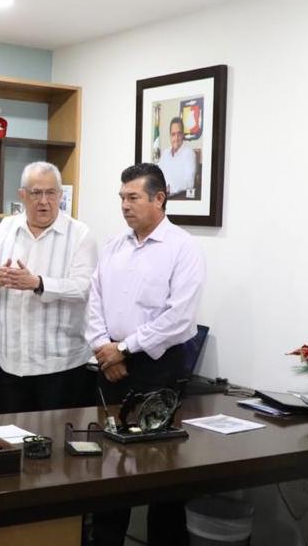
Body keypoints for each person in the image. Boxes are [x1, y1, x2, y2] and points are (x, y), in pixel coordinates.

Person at [86, 162, 205, 546]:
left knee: (161, 470)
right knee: (109, 465)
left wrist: (124, 349)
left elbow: (179, 318)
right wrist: (105, 348)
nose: (124, 205)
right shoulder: (114, 245)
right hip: (110, 363)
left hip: (159, 366)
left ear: (159, 198)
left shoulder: (183, 248)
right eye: (122, 197)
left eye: (133, 197)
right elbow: (94, 300)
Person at [0, 161, 98, 412]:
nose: (44, 201)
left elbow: (84, 288)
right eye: (36, 193)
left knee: (55, 434)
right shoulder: (6, 227)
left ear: (60, 196)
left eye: (51, 193)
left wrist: (38, 284)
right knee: (12, 433)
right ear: (22, 195)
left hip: (60, 366)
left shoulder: (80, 234)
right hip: (10, 363)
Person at [158, 116, 196, 197]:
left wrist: (169, 188)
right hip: (161, 196)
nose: (176, 138)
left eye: (179, 134)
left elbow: (189, 183)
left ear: (183, 135)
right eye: (173, 134)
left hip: (178, 197)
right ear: (170, 136)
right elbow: (157, 175)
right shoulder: (165, 154)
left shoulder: (189, 153)